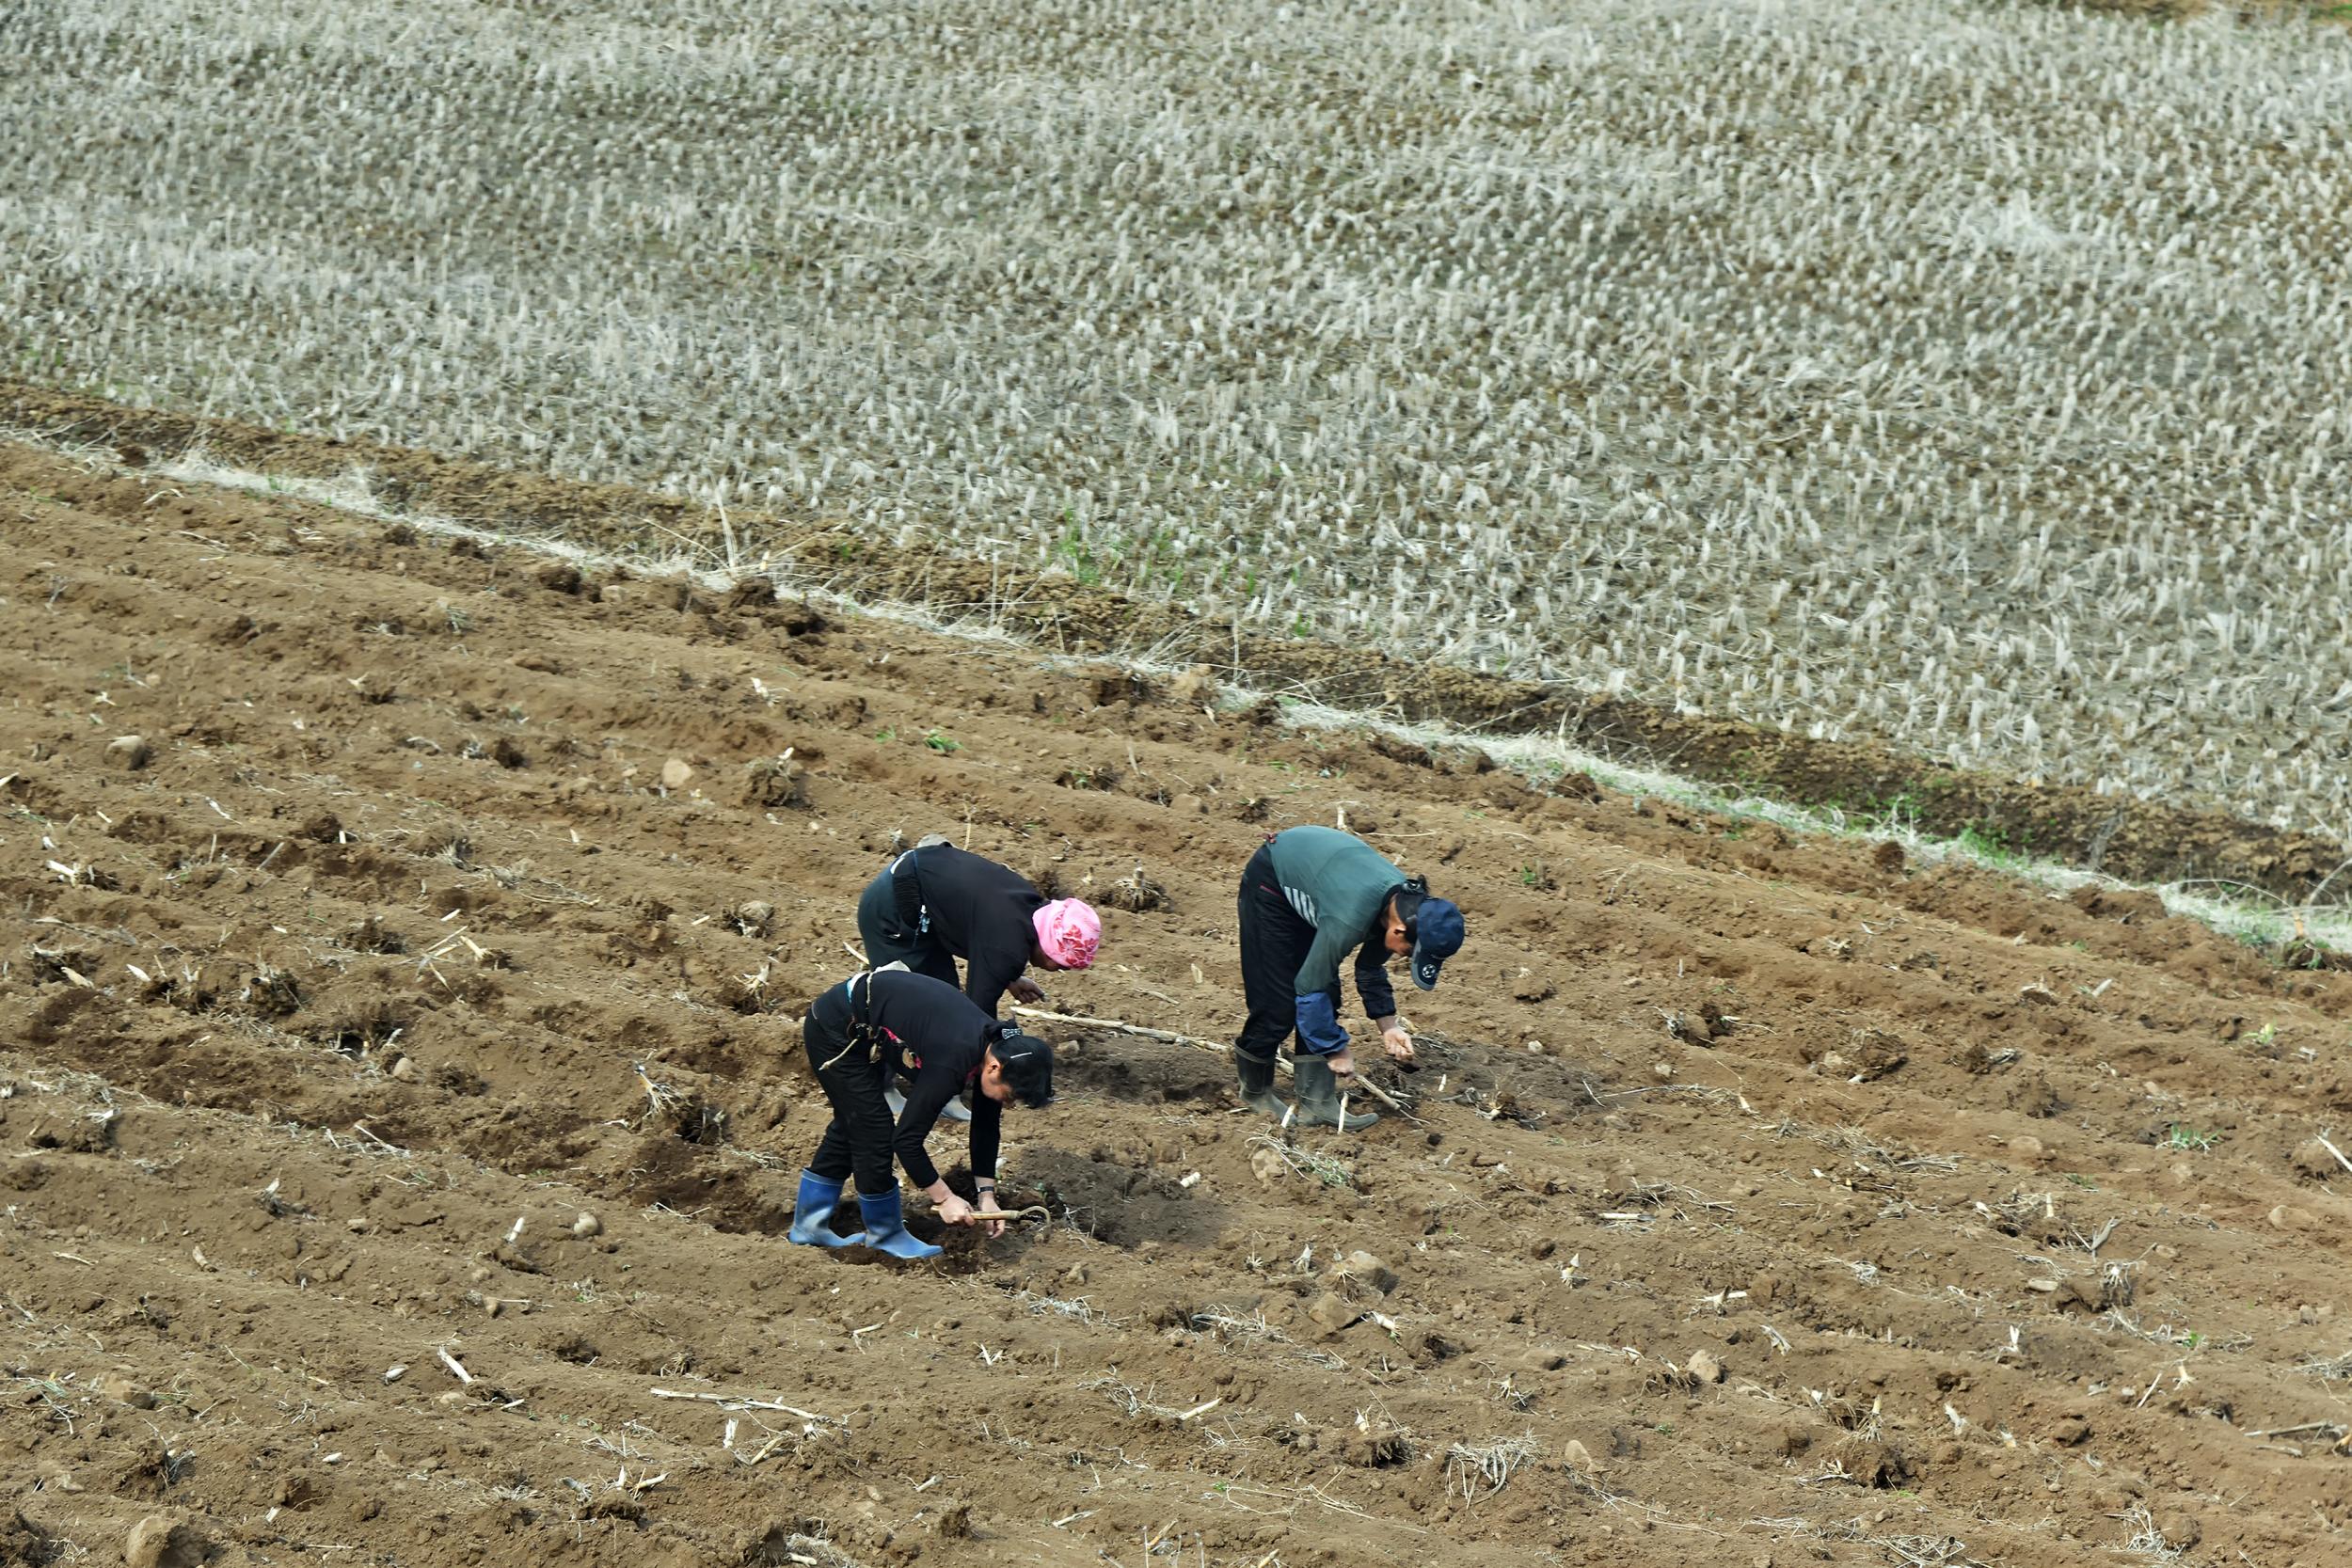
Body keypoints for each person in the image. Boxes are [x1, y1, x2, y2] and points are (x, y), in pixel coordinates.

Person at [787, 967, 1055, 1259]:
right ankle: (885, 1234)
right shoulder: (955, 1059)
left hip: (867, 1025)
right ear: (994, 1069)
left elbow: (986, 1127)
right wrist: (944, 1199)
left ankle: (808, 1226)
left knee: (854, 1120)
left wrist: (987, 1197)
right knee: (873, 1128)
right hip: (835, 1028)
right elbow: (906, 1141)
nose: (1009, 1104)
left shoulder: (997, 1049)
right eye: (1011, 1096)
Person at [1233, 825, 1465, 1130]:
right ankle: (1255, 1093)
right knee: (1279, 1005)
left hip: (1322, 884)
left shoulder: (1402, 912)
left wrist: (1389, 1027)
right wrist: (1335, 1049)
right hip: (1273, 882)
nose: (1404, 957)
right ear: (1399, 932)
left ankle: (1317, 1102)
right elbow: (1308, 986)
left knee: (1326, 994)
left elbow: (1369, 969)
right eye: (1410, 952)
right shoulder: (1353, 917)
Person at [856, 841, 1097, 1123]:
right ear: (1046, 944)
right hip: (893, 911)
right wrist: (997, 1057)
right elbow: (974, 1016)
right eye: (1060, 962)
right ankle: (878, 1086)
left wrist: (1007, 978)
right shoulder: (1007, 946)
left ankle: (944, 1090)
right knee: (909, 1004)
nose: (1057, 969)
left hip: (925, 900)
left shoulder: (1030, 910)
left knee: (942, 993)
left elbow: (985, 933)